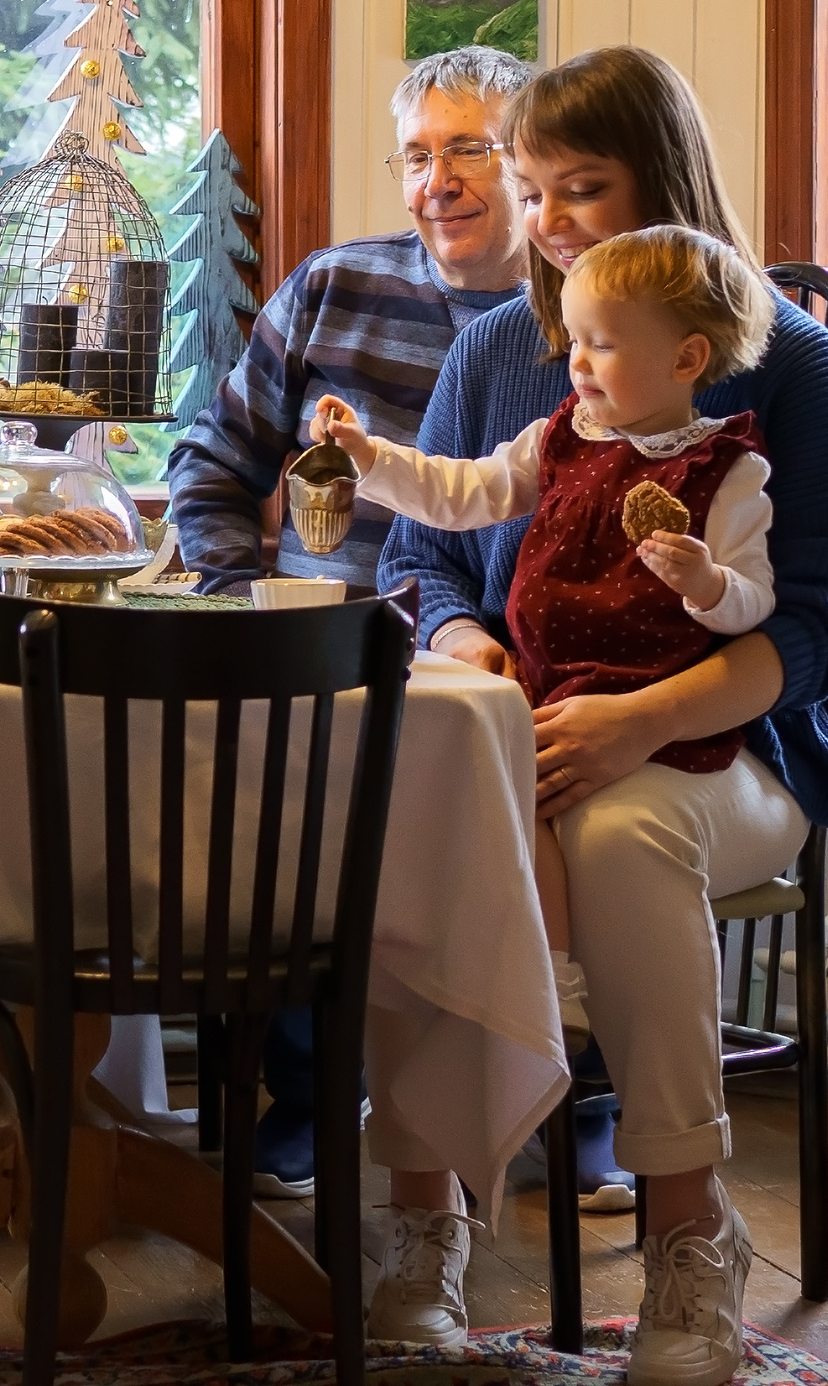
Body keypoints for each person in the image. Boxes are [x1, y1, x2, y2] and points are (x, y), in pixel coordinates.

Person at [374, 46, 828, 1386]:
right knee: (415, 815)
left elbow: (818, 620)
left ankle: (687, 1226)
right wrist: (460, 636)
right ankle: (425, 1215)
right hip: (518, 729)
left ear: (666, 183)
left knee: (630, 829)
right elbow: (413, 558)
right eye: (533, 191)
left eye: (581, 187)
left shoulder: (790, 360)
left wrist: (643, 719)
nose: (548, 221)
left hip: (731, 744)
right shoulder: (496, 354)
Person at [164, 46, 637, 1204]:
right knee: (281, 785)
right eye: (418, 155)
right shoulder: (332, 287)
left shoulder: (596, 320)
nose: (441, 181)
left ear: (525, 170)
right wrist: (237, 603)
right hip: (323, 655)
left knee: (566, 791)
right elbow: (211, 464)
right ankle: (311, 1096)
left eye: (469, 150)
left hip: (522, 662)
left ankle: (582, 1101)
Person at [313, 224, 783, 1062]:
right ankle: (553, 982)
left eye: (603, 345)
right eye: (574, 341)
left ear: (685, 360)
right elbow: (463, 491)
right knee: (491, 797)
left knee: (535, 805)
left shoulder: (726, 473)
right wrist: (370, 457)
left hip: (651, 714)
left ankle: (556, 993)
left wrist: (705, 582)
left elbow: (756, 603)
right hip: (549, 691)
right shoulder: (559, 436)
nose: (578, 363)